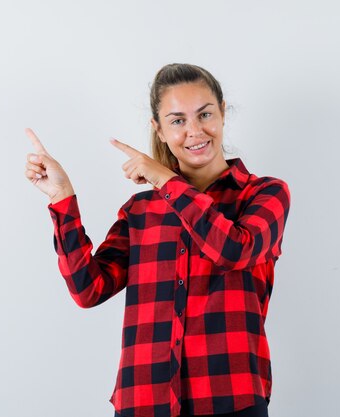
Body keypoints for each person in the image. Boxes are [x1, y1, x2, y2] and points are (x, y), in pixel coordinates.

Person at [24, 63, 291, 417]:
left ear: (223, 113)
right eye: (178, 120)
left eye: (205, 114)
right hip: (144, 402)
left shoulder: (264, 194)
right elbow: (88, 290)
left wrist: (165, 180)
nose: (195, 131)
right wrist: (62, 198)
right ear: (159, 130)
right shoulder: (140, 210)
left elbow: (234, 251)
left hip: (230, 399)